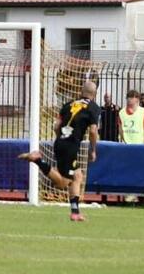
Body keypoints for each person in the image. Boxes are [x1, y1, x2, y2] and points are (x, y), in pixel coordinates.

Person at [18, 79, 101, 222]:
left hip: (60, 142)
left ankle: (75, 212)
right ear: (94, 94)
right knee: (63, 182)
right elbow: (93, 131)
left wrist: (61, 140)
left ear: (81, 91)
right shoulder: (94, 107)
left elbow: (56, 126)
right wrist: (93, 150)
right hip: (71, 146)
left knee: (77, 175)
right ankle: (37, 160)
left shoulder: (68, 104)